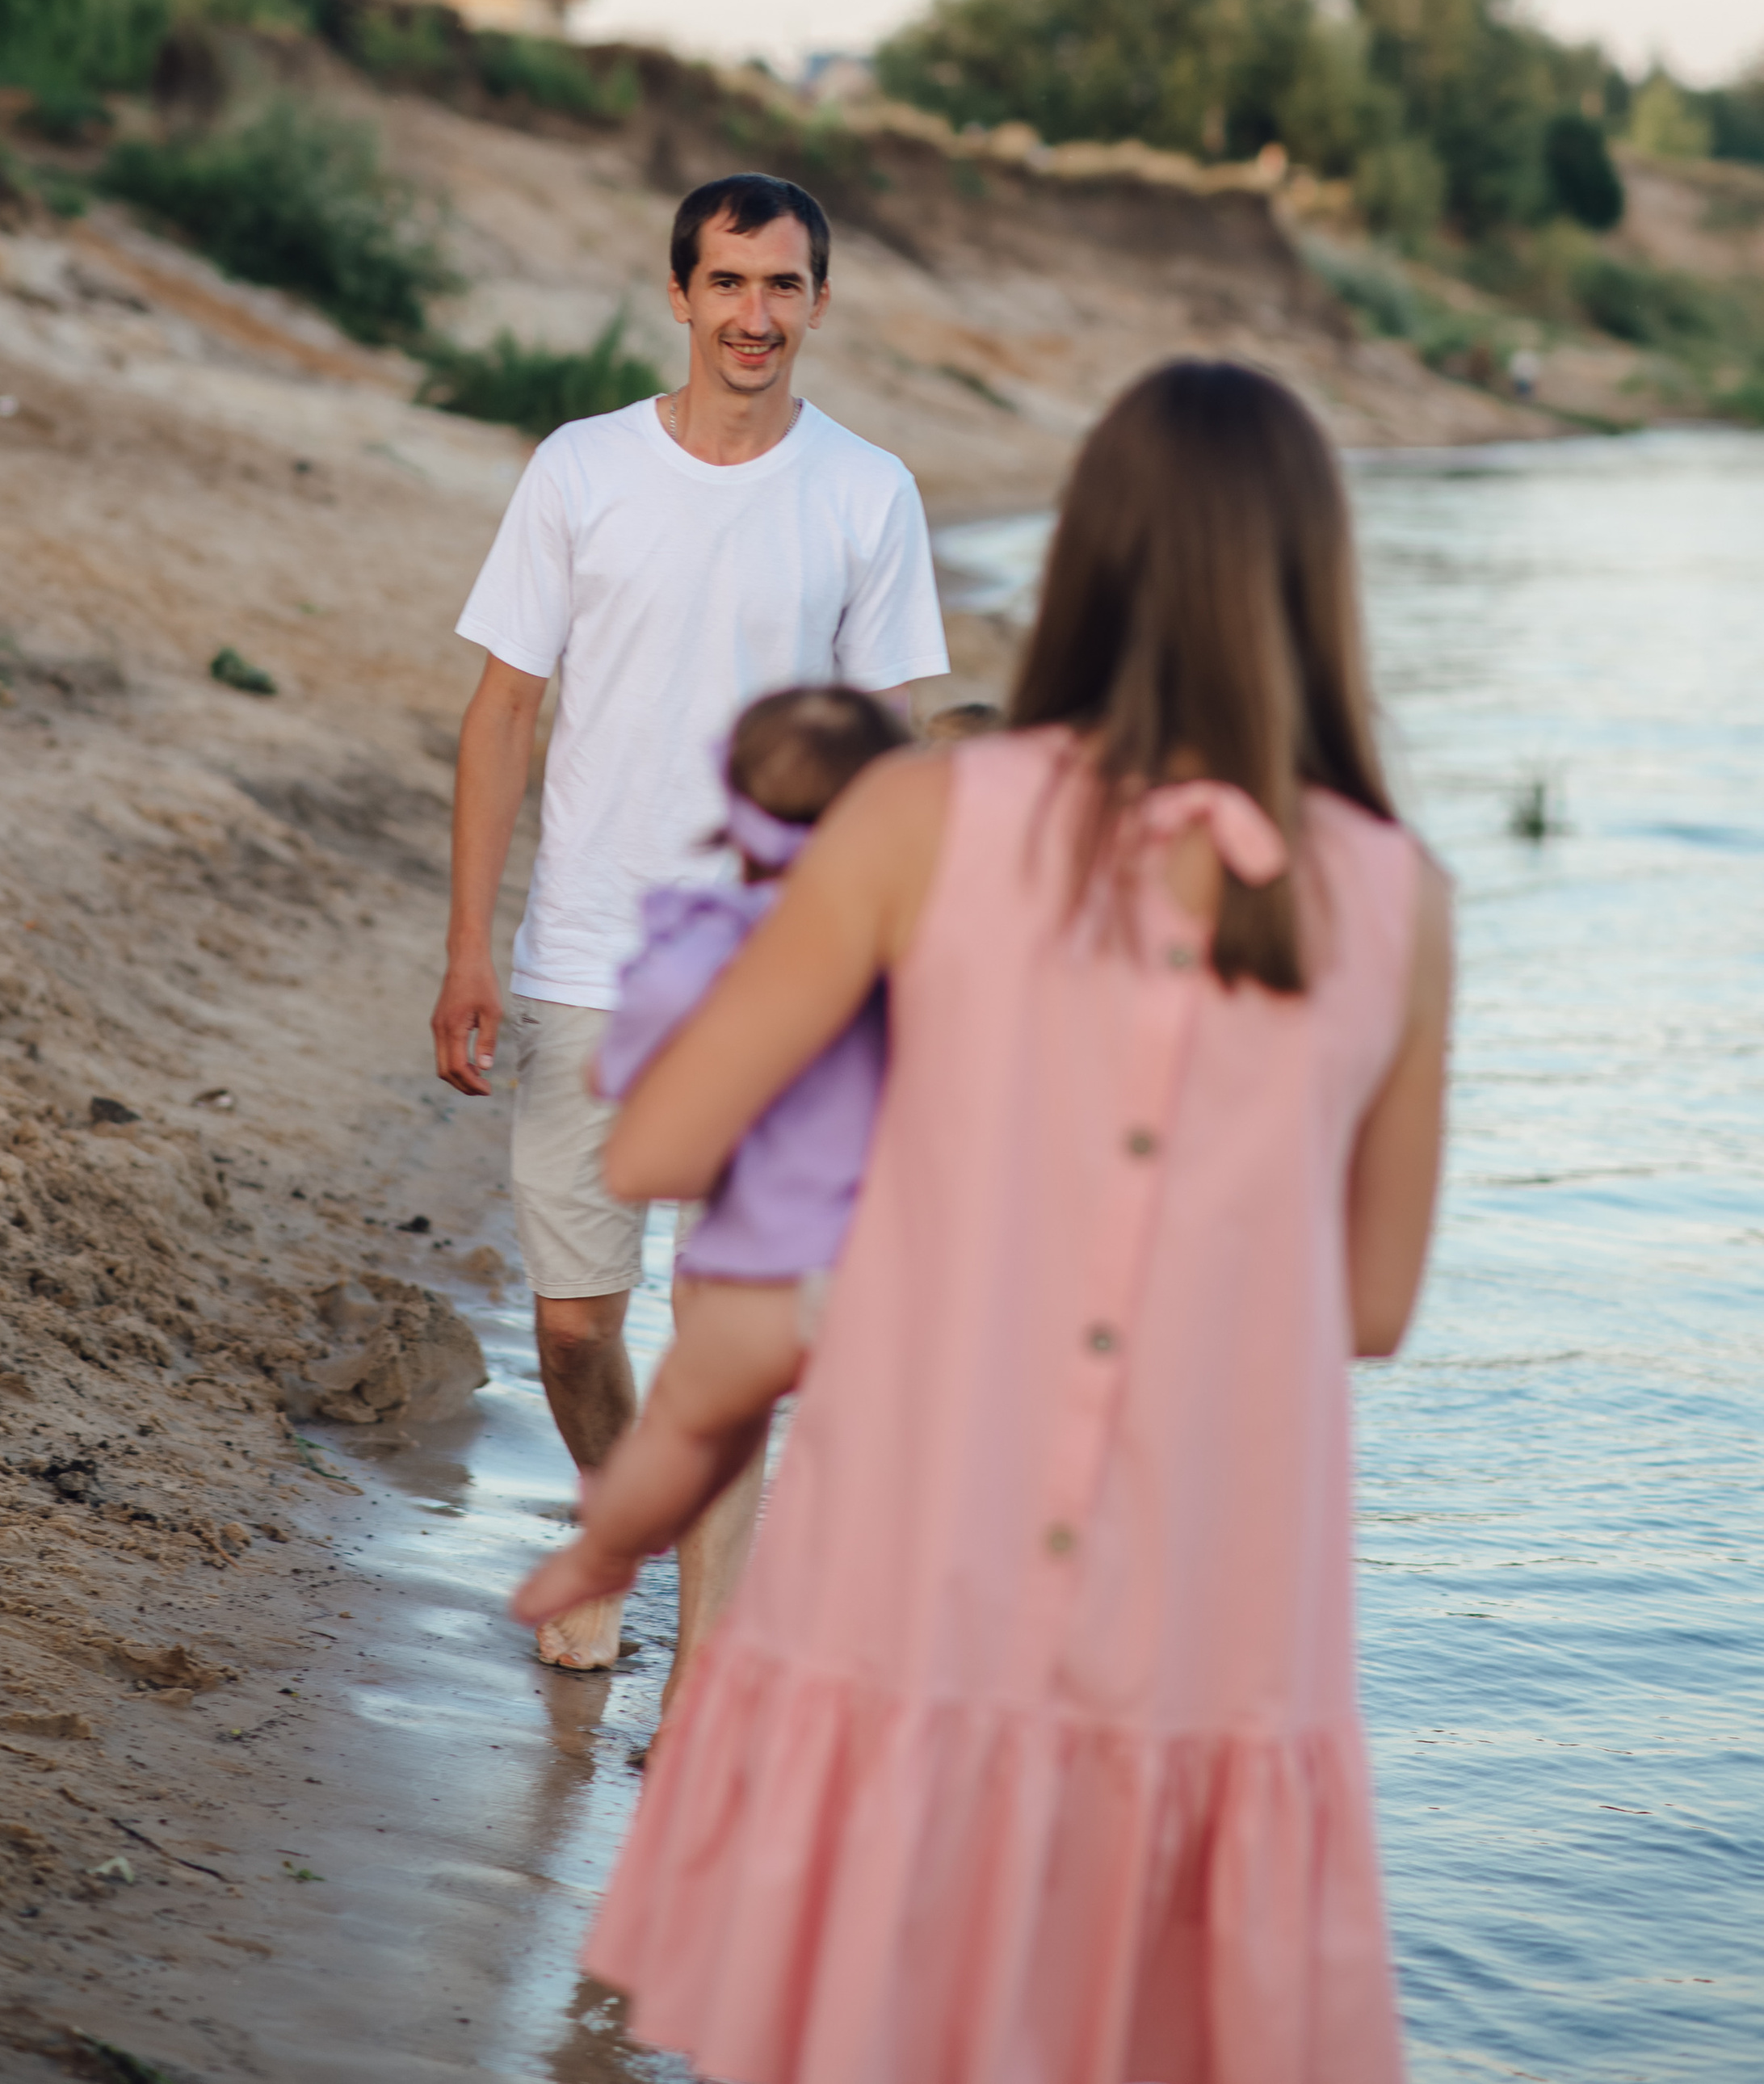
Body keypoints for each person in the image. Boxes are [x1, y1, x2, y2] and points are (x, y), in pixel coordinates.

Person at [577, 357, 1453, 2084]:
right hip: (1217, 1589)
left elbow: (662, 1139)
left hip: (927, 1536)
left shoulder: (926, 813)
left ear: (1085, 559)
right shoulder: (1397, 892)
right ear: (1317, 582)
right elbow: (1367, 1304)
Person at [430, 174, 949, 1698]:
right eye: (728, 282)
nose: (754, 314)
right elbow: (502, 714)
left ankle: (705, 1682)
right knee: (574, 1327)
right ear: (680, 295)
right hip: (588, 955)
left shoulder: (867, 491)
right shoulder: (582, 469)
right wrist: (469, 947)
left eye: (783, 285)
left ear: (819, 303)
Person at [513, 684, 905, 1637]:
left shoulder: (702, 943)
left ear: (730, 807)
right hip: (877, 1295)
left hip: (760, 1285)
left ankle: (602, 1559)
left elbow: (643, 1153)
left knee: (688, 1432)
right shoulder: (920, 956)